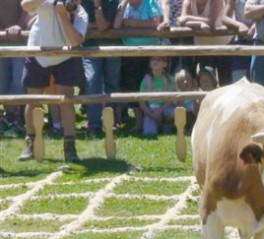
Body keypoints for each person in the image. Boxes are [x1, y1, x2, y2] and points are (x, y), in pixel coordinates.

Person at [19, 0, 88, 162]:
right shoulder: (45, 3)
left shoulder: (81, 13)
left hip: (66, 56)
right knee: (33, 100)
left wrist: (63, 16)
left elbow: (75, 41)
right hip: (37, 52)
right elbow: (25, 5)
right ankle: (31, 143)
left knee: (67, 101)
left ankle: (70, 147)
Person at [113, 0, 163, 133]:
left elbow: (155, 22)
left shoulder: (150, 2)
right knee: (132, 86)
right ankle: (138, 121)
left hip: (150, 52)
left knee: (150, 86)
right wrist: (123, 5)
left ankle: (154, 119)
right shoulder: (124, 5)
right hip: (129, 52)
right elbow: (117, 26)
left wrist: (132, 24)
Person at [81, 0, 121, 138]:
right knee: (92, 82)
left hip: (113, 47)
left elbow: (103, 26)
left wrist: (97, 5)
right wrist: (94, 26)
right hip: (90, 48)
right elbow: (76, 24)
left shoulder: (112, 1)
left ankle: (110, 122)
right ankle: (94, 125)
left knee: (112, 84)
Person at [179, 0, 233, 85]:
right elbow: (181, 21)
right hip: (203, 46)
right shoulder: (188, 1)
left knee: (225, 81)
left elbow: (210, 21)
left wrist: (188, 18)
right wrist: (200, 23)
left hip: (223, 44)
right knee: (206, 79)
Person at [0, 0, 30, 135]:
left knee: (19, 81)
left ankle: (14, 118)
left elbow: (28, 8)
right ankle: (9, 117)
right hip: (1, 42)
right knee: (2, 83)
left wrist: (19, 26)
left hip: (21, 41)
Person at [139, 56, 176, 136]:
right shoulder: (146, 79)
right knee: (149, 133)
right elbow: (141, 102)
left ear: (165, 64)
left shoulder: (171, 79)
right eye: (152, 60)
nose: (155, 62)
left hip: (166, 109)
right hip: (151, 110)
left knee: (172, 113)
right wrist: (151, 113)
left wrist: (160, 110)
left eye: (158, 60)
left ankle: (167, 126)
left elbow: (172, 100)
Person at [221, 0, 255, 82]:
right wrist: (239, 25)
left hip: (260, 41)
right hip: (242, 43)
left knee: (259, 81)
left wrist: (255, 26)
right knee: (238, 80)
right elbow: (224, 18)